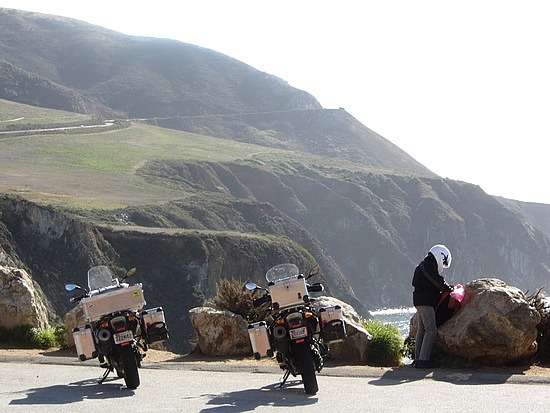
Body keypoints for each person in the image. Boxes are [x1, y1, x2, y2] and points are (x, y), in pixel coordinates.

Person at [412, 244, 452, 369]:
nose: (443, 265)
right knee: (431, 329)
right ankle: (424, 360)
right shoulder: (429, 266)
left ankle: (418, 359)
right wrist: (449, 288)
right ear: (440, 255)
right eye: (443, 261)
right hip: (426, 302)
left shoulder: (423, 265)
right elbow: (437, 281)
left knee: (422, 329)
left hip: (419, 301)